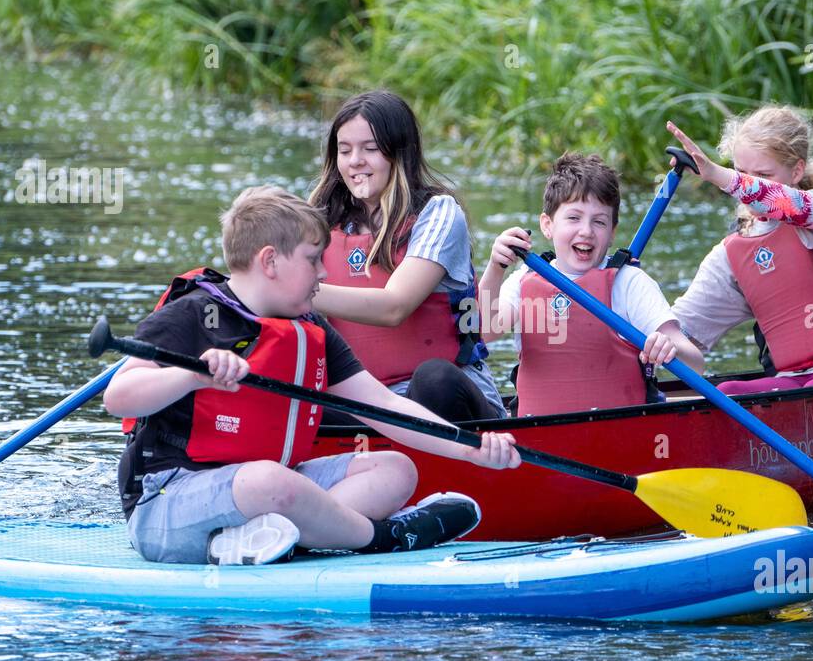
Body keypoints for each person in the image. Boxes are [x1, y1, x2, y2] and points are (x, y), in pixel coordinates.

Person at [104, 185, 520, 567]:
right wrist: (190, 377)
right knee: (271, 480)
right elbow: (118, 397)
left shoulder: (311, 330)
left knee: (396, 469)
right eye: (312, 259)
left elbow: (387, 406)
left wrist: (470, 446)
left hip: (271, 491)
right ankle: (383, 536)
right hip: (168, 500)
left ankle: (275, 539)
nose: (324, 273)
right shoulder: (193, 314)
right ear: (269, 261)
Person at [666, 107, 813, 394]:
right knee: (727, 393)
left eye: (763, 174)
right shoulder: (731, 254)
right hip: (794, 379)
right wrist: (649, 337)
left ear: (797, 170)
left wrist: (722, 176)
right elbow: (679, 330)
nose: (747, 186)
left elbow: (793, 207)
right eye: (742, 173)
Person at [308, 90, 506, 422]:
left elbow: (394, 307)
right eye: (345, 151)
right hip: (366, 401)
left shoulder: (438, 213)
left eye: (370, 149)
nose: (355, 160)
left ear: (400, 155)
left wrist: (296, 290)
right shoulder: (318, 220)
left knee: (435, 379)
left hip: (441, 402)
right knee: (289, 395)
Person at [479, 153, 703, 417]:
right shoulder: (523, 280)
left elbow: (696, 364)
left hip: (622, 436)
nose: (586, 231)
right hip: (539, 438)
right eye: (573, 218)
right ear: (547, 225)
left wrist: (668, 347)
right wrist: (495, 268)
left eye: (599, 221)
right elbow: (485, 332)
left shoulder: (628, 283)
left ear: (612, 232)